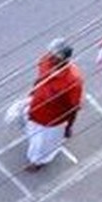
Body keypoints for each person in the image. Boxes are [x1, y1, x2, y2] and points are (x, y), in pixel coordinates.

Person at [23, 39, 83, 171]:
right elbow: (39, 79)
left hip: (51, 120)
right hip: (35, 109)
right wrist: (32, 93)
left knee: (43, 144)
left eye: (54, 56)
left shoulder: (73, 80)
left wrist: (69, 126)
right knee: (33, 134)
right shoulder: (45, 61)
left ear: (63, 60)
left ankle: (38, 162)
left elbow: (73, 108)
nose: (50, 57)